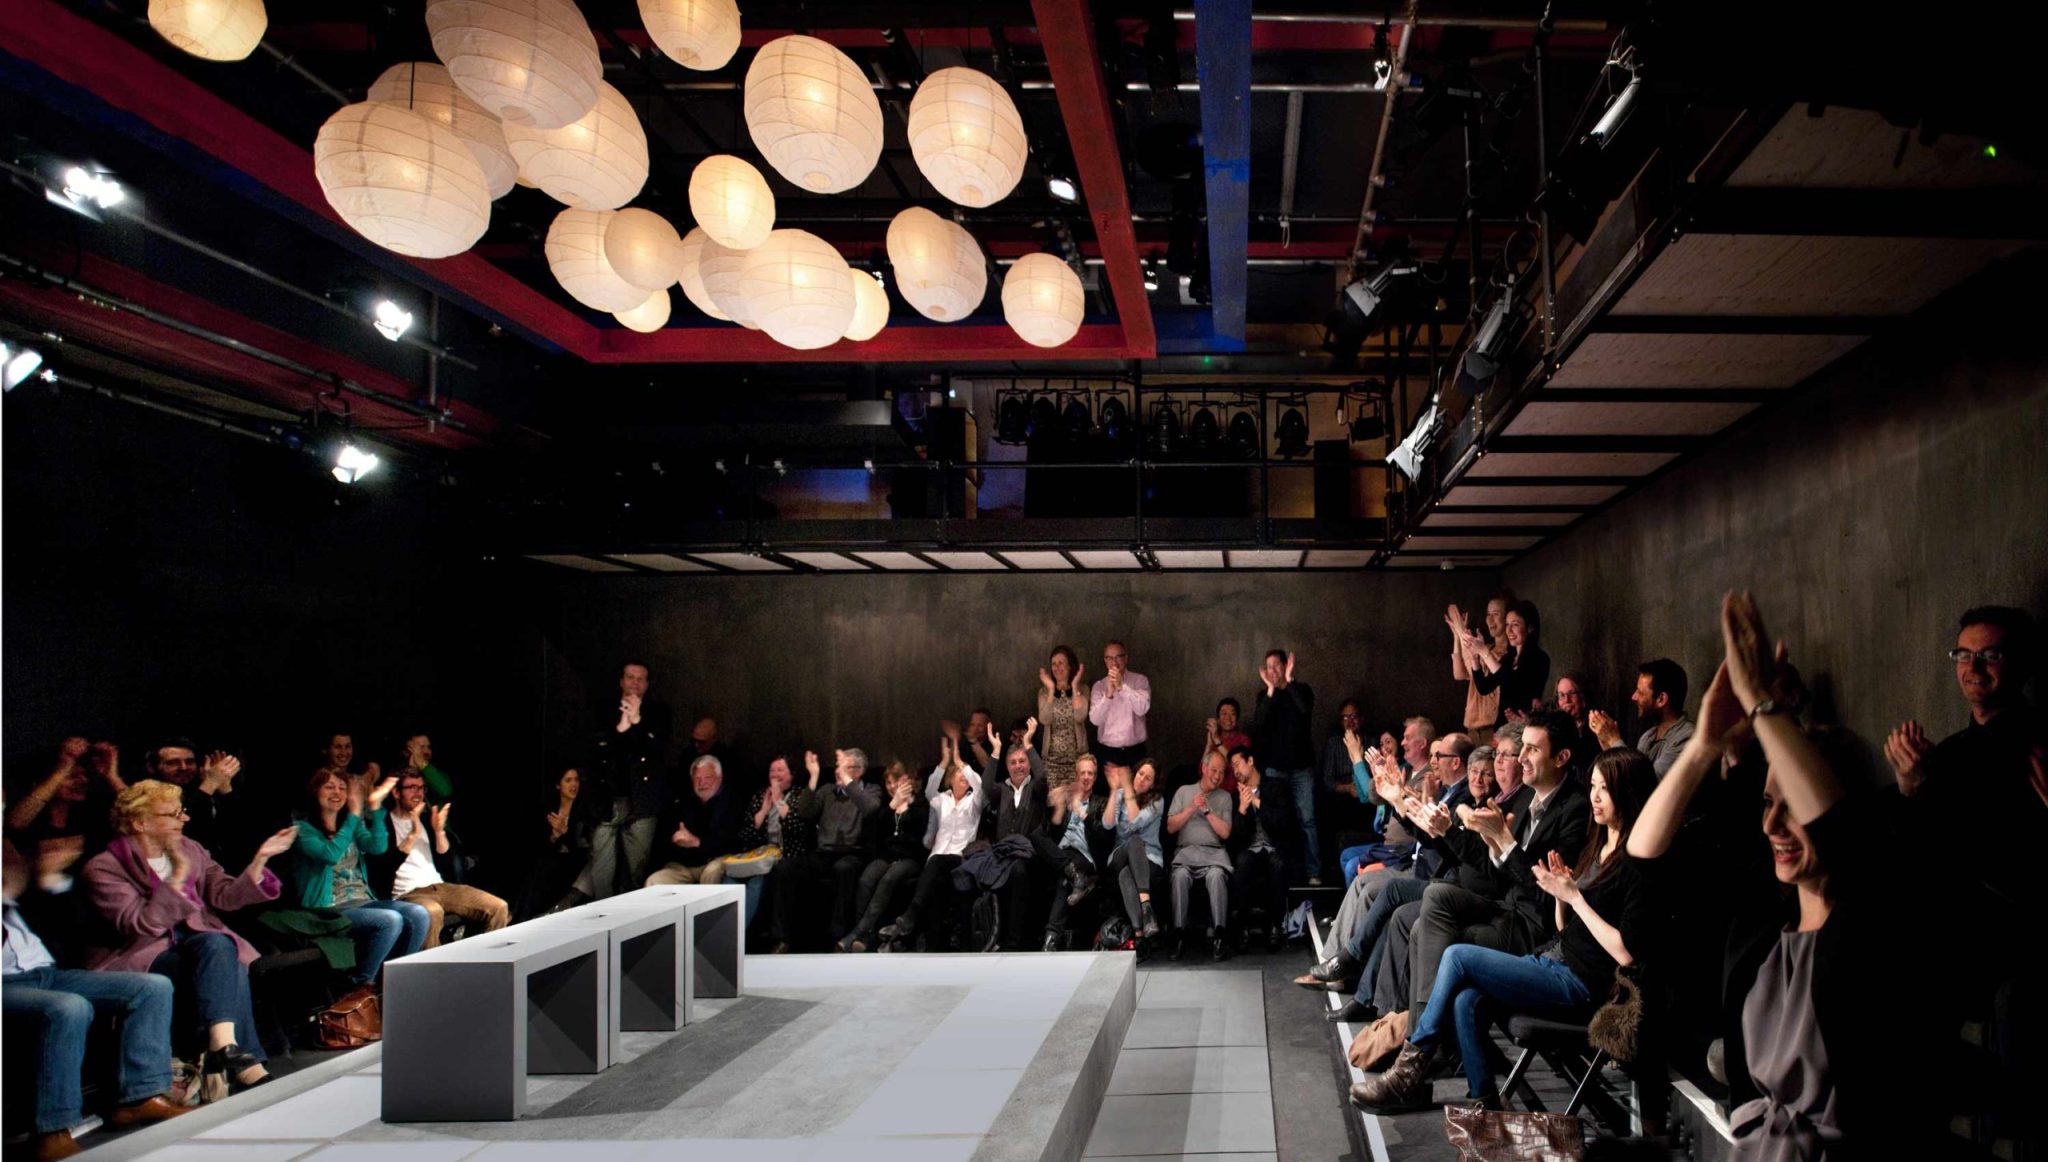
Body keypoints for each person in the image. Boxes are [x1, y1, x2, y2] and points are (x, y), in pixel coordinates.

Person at [1351, 747, 1657, 1112]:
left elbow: (1626, 952)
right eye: (1592, 786)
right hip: (1554, 959)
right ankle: (1486, 1108)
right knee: (1467, 999)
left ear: (1627, 792)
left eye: (1603, 789)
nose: (1594, 796)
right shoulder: (1598, 845)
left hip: (1583, 984)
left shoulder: (1635, 863)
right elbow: (1566, 928)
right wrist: (1561, 894)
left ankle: (1409, 1071)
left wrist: (1574, 898)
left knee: (1457, 955)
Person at [81, 781, 297, 1098]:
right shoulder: (103, 867)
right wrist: (178, 877)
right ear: (141, 822)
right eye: (172, 814)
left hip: (196, 946)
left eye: (181, 811)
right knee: (224, 955)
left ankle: (224, 1048)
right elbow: (140, 925)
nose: (185, 819)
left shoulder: (190, 849)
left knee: (221, 947)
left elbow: (224, 895)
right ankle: (244, 1064)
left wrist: (260, 861)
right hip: (143, 953)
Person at [1385, 709, 1589, 1030]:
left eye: (1531, 750)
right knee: (1435, 899)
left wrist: (1502, 843)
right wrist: (1478, 839)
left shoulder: (1575, 808)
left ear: (1562, 757)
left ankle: (1422, 1039)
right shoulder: (1525, 799)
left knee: (1431, 935)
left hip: (1534, 928)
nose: (1521, 758)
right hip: (1503, 908)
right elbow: (1495, 873)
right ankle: (1422, 1034)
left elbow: (1546, 895)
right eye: (1519, 750)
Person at [5, 841, 189, 1160]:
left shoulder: (25, 896)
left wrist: (49, 881)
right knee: (68, 1007)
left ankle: (140, 1098)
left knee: (151, 986)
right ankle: (53, 1131)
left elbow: (76, 931)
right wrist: (7, 893)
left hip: (47, 973)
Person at [286, 769, 428, 999]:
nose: (337, 792)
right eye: (329, 787)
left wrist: (374, 809)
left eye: (342, 787)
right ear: (315, 792)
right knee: (389, 920)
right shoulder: (303, 830)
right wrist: (353, 815)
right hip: (327, 909)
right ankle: (359, 987)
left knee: (418, 914)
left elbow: (378, 847)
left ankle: (395, 983)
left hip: (362, 900)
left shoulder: (349, 824)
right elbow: (329, 855)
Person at [369, 772, 508, 947]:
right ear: (396, 793)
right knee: (431, 913)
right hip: (409, 893)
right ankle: (433, 972)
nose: (418, 793)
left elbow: (448, 864)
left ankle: (478, 964)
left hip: (441, 886)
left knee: (498, 907)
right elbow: (384, 868)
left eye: (421, 788)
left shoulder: (427, 820)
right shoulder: (383, 824)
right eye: (412, 788)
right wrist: (412, 834)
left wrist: (439, 831)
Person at [882, 737, 982, 947]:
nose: (964, 777)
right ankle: (933, 946)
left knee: (935, 861)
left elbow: (980, 787)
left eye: (966, 775)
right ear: (950, 780)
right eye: (959, 775)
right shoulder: (941, 801)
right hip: (936, 861)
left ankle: (910, 916)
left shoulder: (974, 802)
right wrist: (945, 761)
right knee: (935, 885)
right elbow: (929, 791)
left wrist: (961, 762)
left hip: (960, 858)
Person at [775, 749, 879, 951]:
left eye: (845, 768)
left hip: (852, 853)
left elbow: (870, 808)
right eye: (837, 768)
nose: (838, 772)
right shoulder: (827, 790)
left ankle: (837, 938)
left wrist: (849, 783)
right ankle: (782, 938)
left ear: (859, 771)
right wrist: (813, 777)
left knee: (843, 869)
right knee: (785, 868)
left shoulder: (870, 790)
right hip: (823, 854)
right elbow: (805, 812)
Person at [585, 661, 671, 898]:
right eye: (630, 677)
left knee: (635, 871)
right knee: (601, 872)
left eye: (640, 678)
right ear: (621, 681)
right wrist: (620, 728)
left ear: (647, 684)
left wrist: (637, 723)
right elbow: (594, 747)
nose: (635, 682)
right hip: (608, 799)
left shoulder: (658, 712)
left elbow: (658, 748)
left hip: (641, 803)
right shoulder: (604, 709)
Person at [6, 739, 123, 892]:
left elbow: (142, 814)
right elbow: (14, 824)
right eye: (71, 776)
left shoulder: (90, 815)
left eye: (83, 775)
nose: (82, 781)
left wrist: (112, 776)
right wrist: (63, 768)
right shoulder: (29, 818)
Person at [841, 762, 929, 952]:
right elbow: (877, 833)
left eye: (895, 781)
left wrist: (907, 804)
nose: (891, 786)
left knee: (888, 879)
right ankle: (866, 937)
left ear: (906, 780)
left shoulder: (920, 803)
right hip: (887, 857)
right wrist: (892, 805)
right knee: (866, 879)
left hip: (910, 858)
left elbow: (920, 834)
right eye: (888, 783)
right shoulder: (887, 805)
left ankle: (856, 934)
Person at [1250, 648, 1319, 883]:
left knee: (1307, 819)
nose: (1273, 671)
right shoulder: (1265, 697)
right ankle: (1283, 874)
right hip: (1274, 769)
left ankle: (1313, 872)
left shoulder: (1301, 690)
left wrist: (1289, 682)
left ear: (1286, 666)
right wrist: (1270, 690)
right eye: (1268, 667)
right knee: (1278, 820)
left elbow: (1304, 709)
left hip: (1302, 769)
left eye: (1277, 666)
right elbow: (1258, 723)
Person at [1226, 746, 1301, 948]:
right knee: (1241, 862)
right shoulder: (1235, 797)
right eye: (1232, 768)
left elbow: (1285, 823)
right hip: (1251, 849)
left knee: (1277, 864)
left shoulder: (1276, 787)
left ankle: (1276, 924)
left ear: (1250, 761)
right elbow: (1235, 841)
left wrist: (1257, 802)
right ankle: (1242, 925)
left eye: (1237, 764)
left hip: (1275, 846)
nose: (1235, 771)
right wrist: (1242, 810)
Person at [142, 739, 258, 867]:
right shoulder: (144, 797)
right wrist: (211, 783)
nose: (183, 767)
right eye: (172, 763)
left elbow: (243, 833)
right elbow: (186, 832)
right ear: (151, 768)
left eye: (190, 762)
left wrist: (224, 788)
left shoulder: (201, 791)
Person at [1166, 750, 1234, 961]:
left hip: (1213, 854)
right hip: (1186, 852)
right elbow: (1170, 827)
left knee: (1216, 876)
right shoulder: (1184, 791)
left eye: (1222, 772)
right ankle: (1178, 934)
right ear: (1203, 768)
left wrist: (1206, 811)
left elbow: (1225, 833)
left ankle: (1220, 935)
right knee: (1179, 877)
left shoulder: (1225, 797)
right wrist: (1191, 808)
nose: (1217, 776)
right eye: (1213, 770)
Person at [731, 757, 811, 936]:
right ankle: (727, 930)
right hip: (761, 855)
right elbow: (747, 835)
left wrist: (779, 801)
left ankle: (741, 934)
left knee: (759, 881)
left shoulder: (800, 795)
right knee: (731, 878)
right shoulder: (761, 796)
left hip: (789, 855)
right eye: (772, 770)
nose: (775, 774)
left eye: (780, 770)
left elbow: (798, 830)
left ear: (792, 774)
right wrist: (765, 809)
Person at [1042, 755, 1109, 950]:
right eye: (1083, 773)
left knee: (1063, 880)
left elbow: (1102, 837)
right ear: (1076, 776)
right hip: (1061, 852)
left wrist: (1083, 814)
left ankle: (1051, 939)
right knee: (1036, 836)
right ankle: (1076, 876)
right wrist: (1061, 807)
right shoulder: (1066, 799)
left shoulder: (1101, 803)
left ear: (1095, 778)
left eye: (1090, 773)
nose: (1086, 777)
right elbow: (1052, 832)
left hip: (1083, 855)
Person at [1589, 658, 1695, 778]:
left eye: (1640, 692)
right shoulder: (1647, 737)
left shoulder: (1687, 738)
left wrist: (1614, 740)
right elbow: (1625, 782)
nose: (1634, 697)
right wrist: (1607, 743)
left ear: (1661, 699)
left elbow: (1647, 784)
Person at [646, 756, 742, 886]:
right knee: (654, 881)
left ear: (719, 778)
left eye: (707, 778)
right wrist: (676, 839)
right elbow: (664, 841)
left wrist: (697, 843)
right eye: (697, 779)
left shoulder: (733, 803)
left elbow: (732, 843)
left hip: (715, 860)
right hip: (685, 865)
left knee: (712, 872)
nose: (702, 783)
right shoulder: (683, 802)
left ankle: (709, 907)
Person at [516, 768, 595, 920]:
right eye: (568, 780)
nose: (574, 785)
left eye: (576, 780)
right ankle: (521, 916)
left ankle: (527, 916)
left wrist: (565, 833)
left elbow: (583, 847)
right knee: (538, 866)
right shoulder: (550, 809)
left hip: (575, 861)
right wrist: (554, 836)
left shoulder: (583, 809)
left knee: (546, 868)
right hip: (553, 859)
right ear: (558, 785)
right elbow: (539, 844)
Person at [1461, 600, 1551, 726]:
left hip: (1524, 729)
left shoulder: (1540, 658)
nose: (1508, 630)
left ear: (1530, 628)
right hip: (1501, 729)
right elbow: (1484, 687)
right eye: (1507, 624)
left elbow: (1512, 682)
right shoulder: (1508, 658)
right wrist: (1475, 658)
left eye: (1515, 625)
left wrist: (1484, 652)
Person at [1103, 758, 1164, 940]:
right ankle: (1147, 907)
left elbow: (1136, 820)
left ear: (1153, 785)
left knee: (1125, 875)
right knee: (1134, 840)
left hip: (1149, 858)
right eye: (1140, 774)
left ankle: (1139, 934)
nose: (1141, 779)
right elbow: (1107, 824)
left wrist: (1128, 789)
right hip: (1120, 854)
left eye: (1148, 778)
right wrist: (1115, 790)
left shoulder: (1157, 801)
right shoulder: (1121, 794)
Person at [1448, 595, 1514, 744]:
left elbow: (1494, 664)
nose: (1490, 620)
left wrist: (1463, 633)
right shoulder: (1485, 648)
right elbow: (1459, 674)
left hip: (1493, 729)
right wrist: (1457, 636)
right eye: (1488, 614)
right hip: (1472, 730)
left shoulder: (1507, 656)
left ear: (1507, 618)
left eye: (1496, 614)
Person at [1089, 640, 1153, 771]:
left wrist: (1122, 687)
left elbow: (1142, 709)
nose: (1114, 662)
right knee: (1107, 792)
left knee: (1136, 791)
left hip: (1135, 752)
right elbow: (1095, 720)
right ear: (1105, 661)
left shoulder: (1140, 680)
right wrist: (1108, 696)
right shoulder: (1099, 686)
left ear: (1126, 658)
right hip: (1107, 753)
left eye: (1118, 657)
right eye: (1109, 658)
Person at [1037, 646, 1090, 790]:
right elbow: (1045, 719)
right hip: (1051, 764)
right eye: (1053, 663)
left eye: (1061, 663)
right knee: (1054, 808)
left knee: (1074, 808)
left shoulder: (1083, 689)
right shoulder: (1044, 691)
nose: (1057, 667)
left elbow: (1080, 717)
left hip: (1077, 763)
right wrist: (1051, 691)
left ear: (1070, 665)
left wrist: (1074, 687)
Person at [397, 733, 457, 804]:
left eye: (428, 747)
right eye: (420, 748)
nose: (426, 751)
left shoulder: (436, 772)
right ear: (406, 752)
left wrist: (422, 764)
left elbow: (445, 791)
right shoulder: (396, 776)